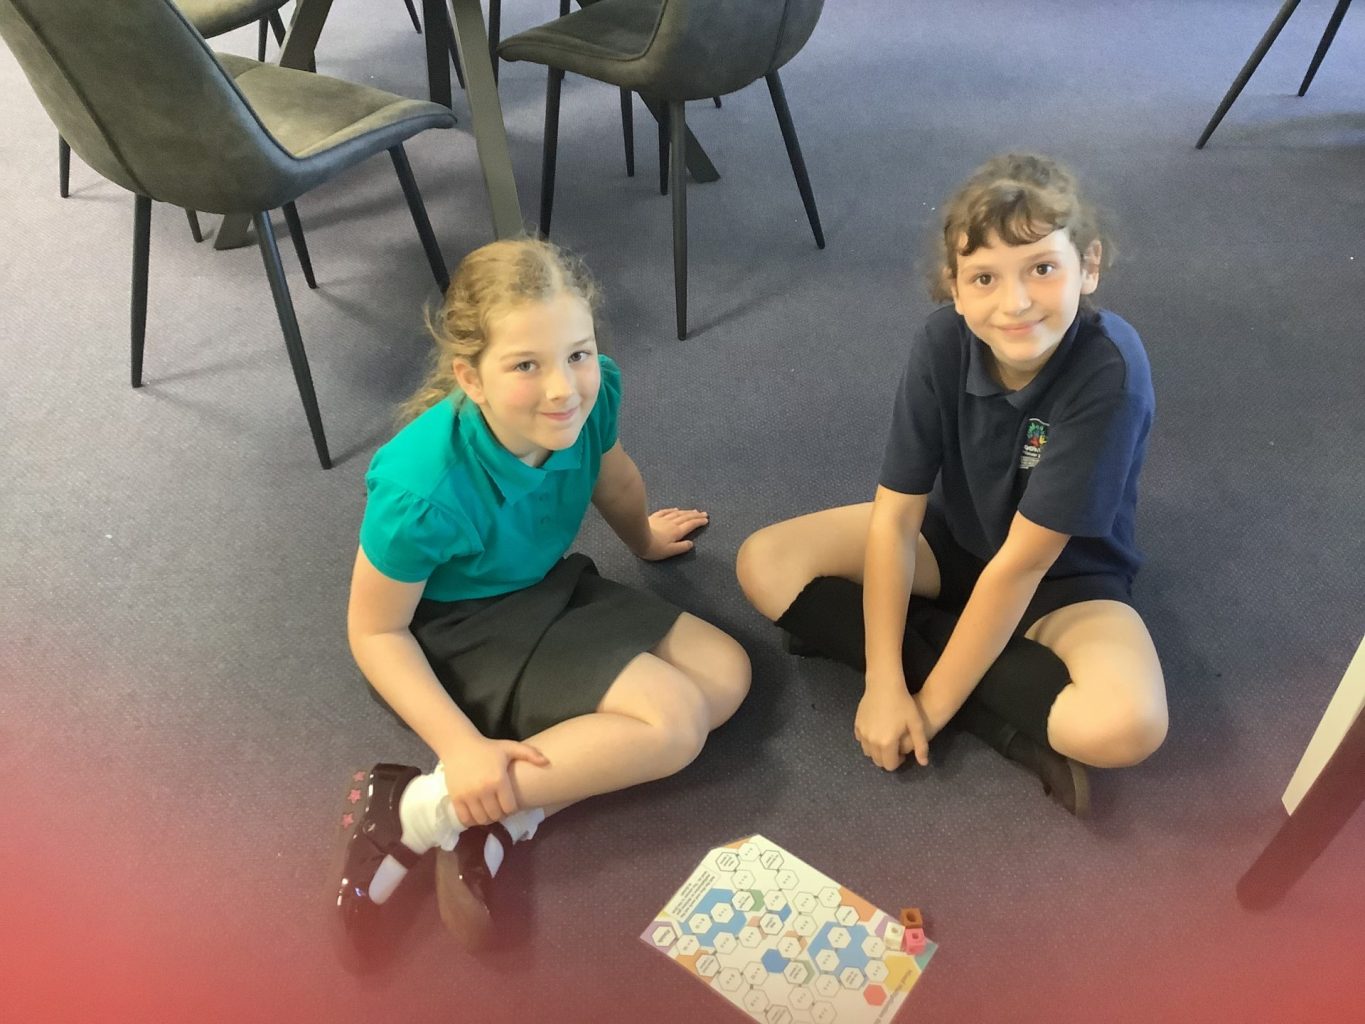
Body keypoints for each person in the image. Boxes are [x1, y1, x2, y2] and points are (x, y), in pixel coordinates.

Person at [337, 238, 750, 952]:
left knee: (726, 673)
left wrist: (644, 541)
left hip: (537, 588)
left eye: (576, 354)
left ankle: (506, 814)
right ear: (470, 377)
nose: (564, 389)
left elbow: (612, 475)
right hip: (453, 630)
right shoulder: (419, 487)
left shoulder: (594, 393)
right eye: (526, 365)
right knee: (674, 725)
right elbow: (375, 632)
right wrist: (462, 747)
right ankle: (420, 808)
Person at [736, 153, 1167, 816]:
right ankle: (998, 716)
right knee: (764, 562)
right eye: (984, 277)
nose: (1015, 302)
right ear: (955, 288)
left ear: (1089, 266)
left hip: (1063, 580)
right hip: (953, 543)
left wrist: (929, 710)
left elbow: (1021, 567)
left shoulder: (1110, 371)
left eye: (1042, 269)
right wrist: (883, 683)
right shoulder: (941, 341)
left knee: (1127, 727)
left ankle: (904, 649)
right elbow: (894, 520)